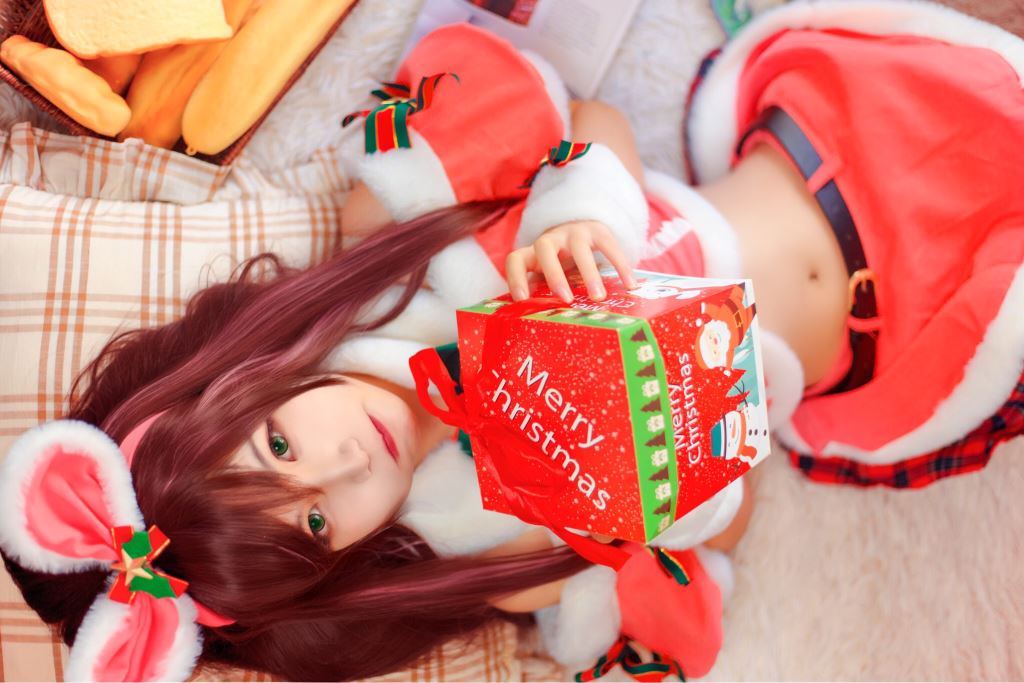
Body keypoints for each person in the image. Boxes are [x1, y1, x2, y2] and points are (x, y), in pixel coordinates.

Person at [2, 2, 1022, 681]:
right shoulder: (498, 554)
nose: (347, 462)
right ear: (334, 569)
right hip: (905, 347)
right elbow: (733, 518)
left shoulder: (393, 242)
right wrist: (658, 486)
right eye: (316, 520)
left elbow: (590, 116)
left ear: (244, 377)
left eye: (278, 444)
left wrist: (579, 222)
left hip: (835, 140)